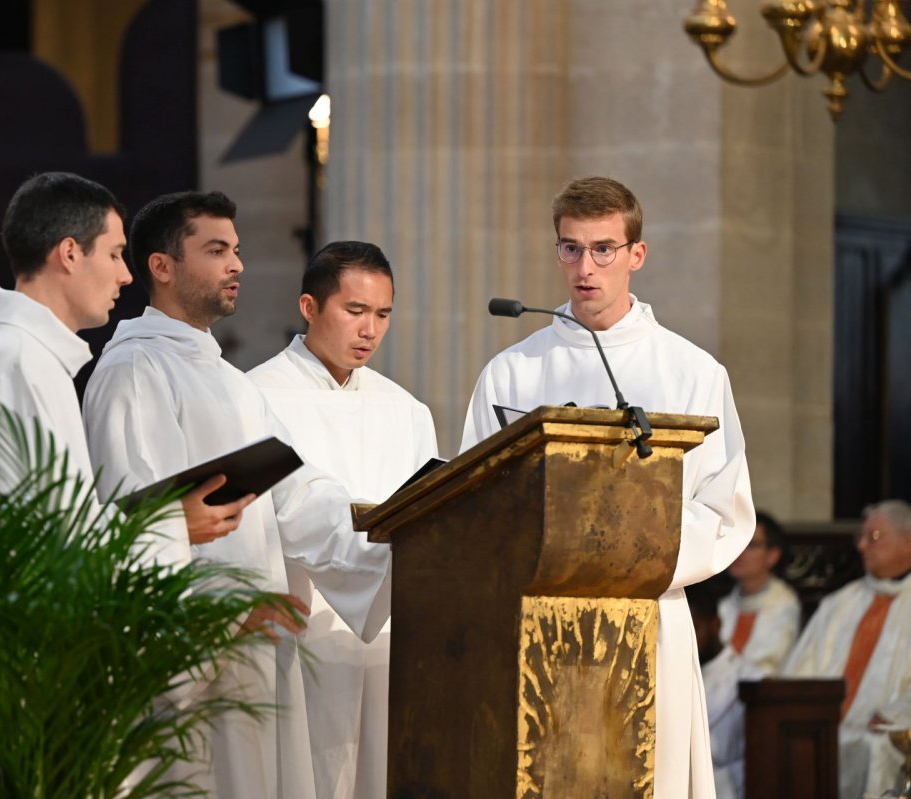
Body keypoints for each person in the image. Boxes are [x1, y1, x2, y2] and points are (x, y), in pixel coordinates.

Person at [81, 191, 394, 798]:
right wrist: (218, 616)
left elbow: (294, 497)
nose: (238, 266)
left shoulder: (229, 381)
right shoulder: (133, 372)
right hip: (189, 660)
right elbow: (130, 525)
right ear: (162, 266)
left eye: (238, 251)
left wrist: (402, 545)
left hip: (249, 651)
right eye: (217, 250)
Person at [460, 175, 755, 799]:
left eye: (603, 249)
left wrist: (627, 559)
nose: (584, 266)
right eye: (570, 248)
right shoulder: (512, 372)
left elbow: (723, 509)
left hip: (648, 612)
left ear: (636, 255)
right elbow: (472, 504)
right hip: (536, 620)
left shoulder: (692, 372)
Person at [0, 172, 248, 564]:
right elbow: (53, 536)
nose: (126, 274)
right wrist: (174, 526)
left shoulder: (20, 355)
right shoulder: (17, 360)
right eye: (115, 254)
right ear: (69, 253)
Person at [247, 240, 439, 799]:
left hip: (388, 642)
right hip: (299, 633)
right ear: (308, 307)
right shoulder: (257, 395)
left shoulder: (406, 409)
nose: (370, 330)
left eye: (382, 315)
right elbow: (288, 510)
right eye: (354, 311)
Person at [782, 499, 911, 798]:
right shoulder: (838, 604)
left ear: (907, 542)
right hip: (824, 732)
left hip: (882, 733)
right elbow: (798, 676)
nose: (862, 546)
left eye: (874, 537)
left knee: (876, 749)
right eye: (861, 537)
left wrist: (895, 715)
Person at [689, 579, 763, 799]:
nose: (688, 642)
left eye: (695, 630)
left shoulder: (750, 680)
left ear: (716, 624)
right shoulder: (669, 675)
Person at [718, 510, 802, 675]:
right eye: (737, 542)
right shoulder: (723, 606)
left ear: (773, 555)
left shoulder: (784, 604)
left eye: (751, 545)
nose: (739, 552)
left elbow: (769, 666)